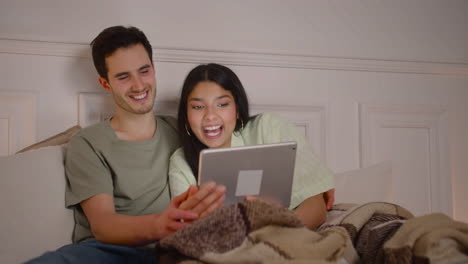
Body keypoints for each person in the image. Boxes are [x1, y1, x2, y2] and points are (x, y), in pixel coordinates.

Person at [26, 26, 225, 264]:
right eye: (123, 77)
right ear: (105, 83)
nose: (139, 85)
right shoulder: (88, 142)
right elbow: (103, 225)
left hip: (175, 252)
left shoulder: (180, 129)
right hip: (108, 252)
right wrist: (161, 224)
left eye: (144, 71)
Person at [169, 63, 335, 229]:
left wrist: (279, 232)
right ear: (186, 115)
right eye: (198, 107)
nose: (210, 116)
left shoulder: (268, 128)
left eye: (222, 104)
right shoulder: (181, 162)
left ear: (237, 109)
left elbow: (316, 203)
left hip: (288, 234)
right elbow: (189, 228)